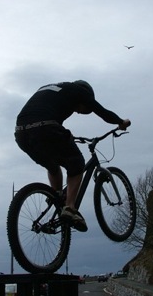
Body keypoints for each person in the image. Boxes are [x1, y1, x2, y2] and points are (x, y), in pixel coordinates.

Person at [15, 80, 131, 232]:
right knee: (77, 163)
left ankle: (56, 198)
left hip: (21, 134)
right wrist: (121, 122)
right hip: (46, 128)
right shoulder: (79, 90)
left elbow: (40, 112)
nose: (78, 112)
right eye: (82, 109)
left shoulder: (51, 88)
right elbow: (102, 112)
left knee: (53, 166)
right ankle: (70, 208)